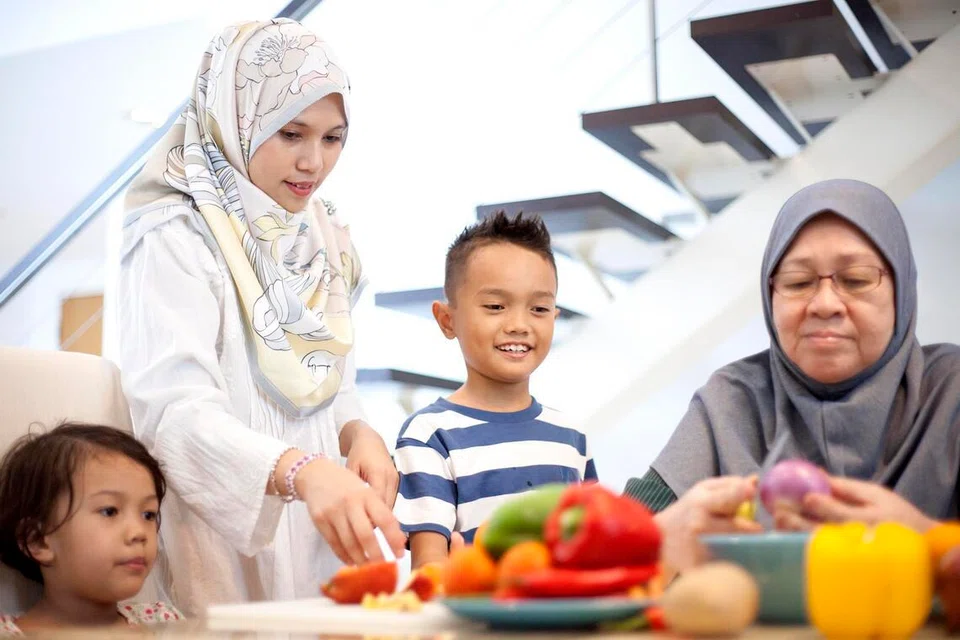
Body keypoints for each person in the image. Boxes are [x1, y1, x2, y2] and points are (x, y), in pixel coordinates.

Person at [118, 19, 404, 615]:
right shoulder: (177, 231)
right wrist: (299, 472)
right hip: (222, 533)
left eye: (333, 138)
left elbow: (330, 384)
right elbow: (173, 412)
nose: (313, 163)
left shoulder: (325, 237)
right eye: (292, 133)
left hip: (319, 531)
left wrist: (360, 433)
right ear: (236, 118)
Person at [627, 179, 960, 568]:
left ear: (902, 290)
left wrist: (926, 537)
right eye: (798, 283)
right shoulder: (733, 401)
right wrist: (660, 534)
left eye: (855, 279)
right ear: (770, 298)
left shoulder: (950, 392)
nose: (824, 304)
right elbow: (614, 533)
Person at [393, 212, 598, 569]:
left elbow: (593, 546)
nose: (519, 325)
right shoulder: (429, 436)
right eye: (495, 307)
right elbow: (429, 572)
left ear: (554, 316)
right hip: (474, 622)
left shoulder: (571, 437)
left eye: (538, 308)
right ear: (447, 320)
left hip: (564, 624)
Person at [0, 423, 183, 634]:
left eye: (148, 515)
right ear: (38, 540)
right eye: (110, 511)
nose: (139, 533)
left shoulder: (165, 623)